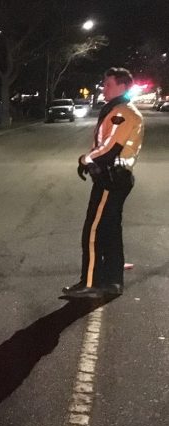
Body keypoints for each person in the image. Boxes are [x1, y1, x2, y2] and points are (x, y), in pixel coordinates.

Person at [63, 67, 144, 299]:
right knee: (110, 230)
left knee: (93, 231)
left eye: (108, 84)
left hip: (111, 179)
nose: (104, 87)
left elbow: (110, 148)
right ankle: (112, 281)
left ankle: (90, 282)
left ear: (123, 86)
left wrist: (84, 159)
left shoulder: (122, 112)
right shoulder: (120, 110)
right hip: (116, 177)